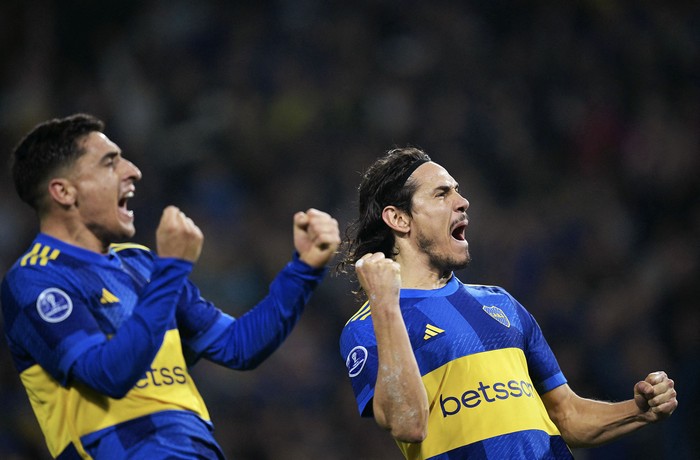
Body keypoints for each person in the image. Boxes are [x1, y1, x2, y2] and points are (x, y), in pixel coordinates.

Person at [1, 113, 340, 459]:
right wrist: (172, 268)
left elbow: (239, 346)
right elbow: (107, 375)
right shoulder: (35, 280)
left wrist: (304, 268)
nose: (132, 171)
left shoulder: (140, 263)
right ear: (63, 192)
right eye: (109, 164)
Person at [338, 147, 678, 459]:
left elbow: (566, 415)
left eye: (457, 190)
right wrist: (385, 304)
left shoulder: (502, 304)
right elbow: (408, 424)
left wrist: (637, 411)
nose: (462, 201)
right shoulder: (368, 325)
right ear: (399, 219)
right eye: (442, 193)